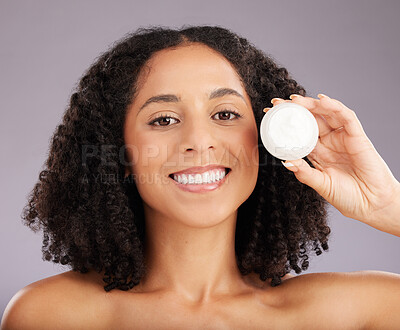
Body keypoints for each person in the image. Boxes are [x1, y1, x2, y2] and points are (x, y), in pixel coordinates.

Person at [2, 25, 400, 329]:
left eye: (225, 114)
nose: (198, 141)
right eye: (164, 120)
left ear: (266, 141)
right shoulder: (51, 315)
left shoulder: (361, 311)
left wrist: (388, 206)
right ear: (118, 154)